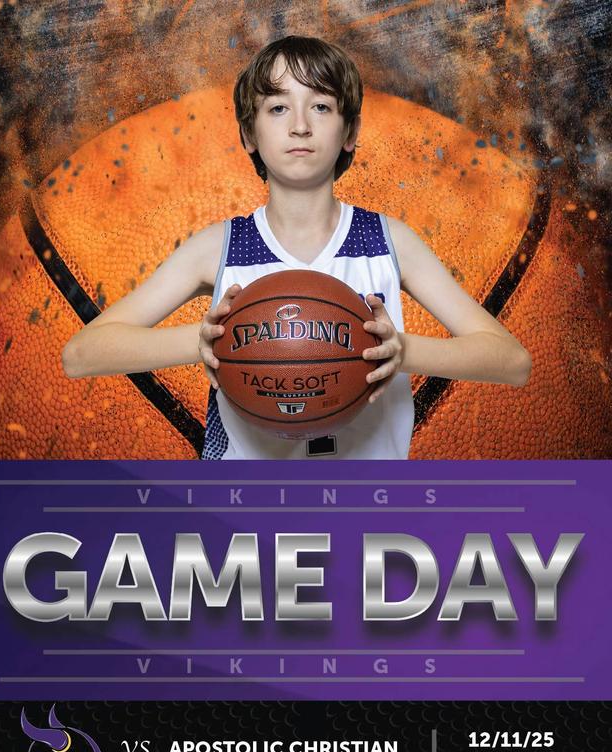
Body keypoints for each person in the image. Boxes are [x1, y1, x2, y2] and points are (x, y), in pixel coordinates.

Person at [62, 35, 531, 460]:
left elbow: (512, 361)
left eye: (322, 106)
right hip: (245, 516)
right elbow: (82, 353)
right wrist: (203, 342)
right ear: (249, 134)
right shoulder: (220, 247)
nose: (301, 126)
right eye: (278, 108)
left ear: (351, 132)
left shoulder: (387, 242)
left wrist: (402, 352)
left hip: (368, 513)